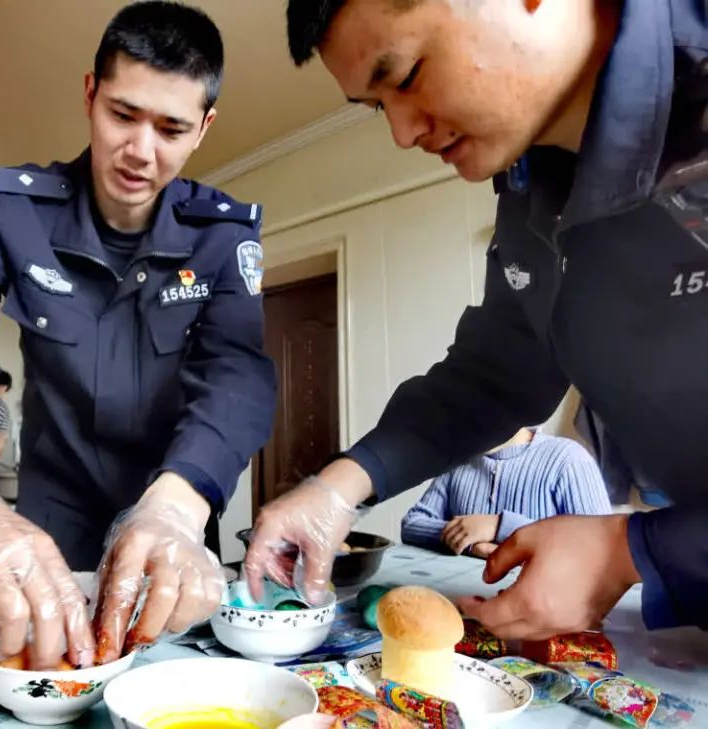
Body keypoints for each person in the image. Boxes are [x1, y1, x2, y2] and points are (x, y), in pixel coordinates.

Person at [246, 0, 708, 638]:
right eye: (379, 107)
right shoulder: (531, 186)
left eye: (405, 75)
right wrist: (336, 489)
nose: (403, 134)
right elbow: (495, 374)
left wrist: (629, 550)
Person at [0, 1, 276, 669]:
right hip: (48, 513)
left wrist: (180, 507)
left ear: (204, 127)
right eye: (123, 115)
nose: (141, 151)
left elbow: (236, 376)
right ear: (91, 94)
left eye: (172, 128)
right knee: (34, 670)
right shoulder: (7, 208)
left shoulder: (223, 236)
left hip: (169, 508)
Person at [401, 428, 611, 558]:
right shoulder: (459, 461)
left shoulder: (568, 458)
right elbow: (412, 525)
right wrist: (469, 541)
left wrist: (499, 526)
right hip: (465, 607)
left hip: (546, 615)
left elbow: (600, 546)